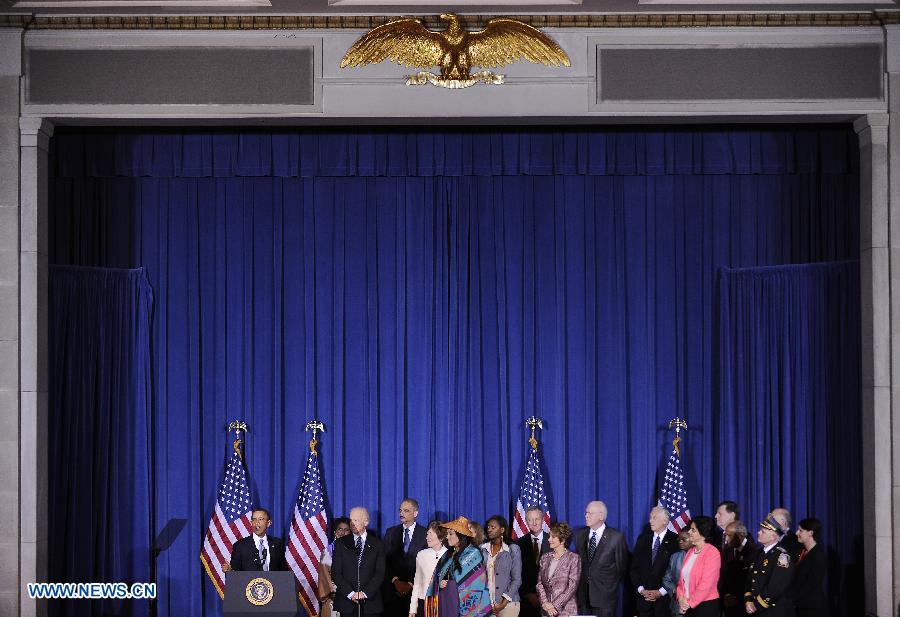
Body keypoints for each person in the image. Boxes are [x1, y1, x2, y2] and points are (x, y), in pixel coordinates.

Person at [426, 516, 493, 617]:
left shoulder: (473, 553)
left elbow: (470, 580)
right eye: (447, 534)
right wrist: (440, 582)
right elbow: (437, 576)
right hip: (447, 602)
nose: (447, 537)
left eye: (451, 534)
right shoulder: (447, 555)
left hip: (465, 603)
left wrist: (450, 583)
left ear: (461, 535)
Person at [574, 500, 628, 617]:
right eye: (586, 513)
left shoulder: (616, 537)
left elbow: (622, 568)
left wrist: (608, 587)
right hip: (583, 597)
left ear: (601, 516)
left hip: (605, 598)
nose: (586, 515)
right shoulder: (579, 534)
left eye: (590, 513)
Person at [332, 506, 387, 617]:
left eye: (356, 520)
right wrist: (351, 594)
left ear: (366, 522)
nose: (352, 523)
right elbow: (336, 573)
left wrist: (364, 593)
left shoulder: (378, 544)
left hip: (370, 604)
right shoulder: (341, 543)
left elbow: (380, 573)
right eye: (351, 519)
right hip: (347, 603)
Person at [630, 506, 680, 617]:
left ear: (665, 521)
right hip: (643, 601)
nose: (650, 520)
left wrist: (661, 592)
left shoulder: (675, 541)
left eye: (654, 517)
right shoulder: (643, 539)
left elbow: (676, 572)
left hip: (665, 602)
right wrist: (641, 589)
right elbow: (634, 568)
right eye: (650, 517)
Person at [385, 499, 428, 616]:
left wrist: (410, 583)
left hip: (415, 591)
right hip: (393, 591)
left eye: (406, 510)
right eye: (400, 510)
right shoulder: (391, 532)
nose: (401, 513)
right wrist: (394, 580)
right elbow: (385, 561)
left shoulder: (425, 534)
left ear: (415, 513)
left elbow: (426, 563)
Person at [744, 517, 794, 616]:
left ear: (773, 537)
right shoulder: (758, 553)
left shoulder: (782, 557)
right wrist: (748, 600)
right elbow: (750, 579)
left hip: (772, 610)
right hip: (755, 608)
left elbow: (776, 587)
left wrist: (757, 605)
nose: (758, 532)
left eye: (763, 532)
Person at [674, 516, 720, 617]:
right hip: (687, 605)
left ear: (703, 534)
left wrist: (689, 603)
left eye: (693, 530)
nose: (689, 532)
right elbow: (682, 581)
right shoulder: (690, 551)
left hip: (705, 607)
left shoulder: (712, 553)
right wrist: (681, 598)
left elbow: (706, 584)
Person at [536, 522, 581, 617]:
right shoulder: (545, 558)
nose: (549, 540)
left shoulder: (573, 558)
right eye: (549, 536)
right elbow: (540, 584)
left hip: (566, 611)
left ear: (563, 540)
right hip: (546, 611)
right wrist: (545, 604)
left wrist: (554, 605)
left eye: (553, 537)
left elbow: (572, 586)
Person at [480, 516, 522, 617]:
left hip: (508, 604)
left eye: (493, 527)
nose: (489, 529)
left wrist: (503, 604)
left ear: (502, 530)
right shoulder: (482, 549)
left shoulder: (513, 549)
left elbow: (517, 580)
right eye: (488, 527)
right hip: (486, 604)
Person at [228, 507, 289, 571]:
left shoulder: (277, 544)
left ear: (268, 523)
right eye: (254, 519)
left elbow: (283, 571)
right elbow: (234, 573)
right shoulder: (240, 545)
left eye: (260, 519)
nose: (256, 522)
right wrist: (229, 570)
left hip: (272, 581)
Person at [517, 507, 551, 617]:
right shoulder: (519, 544)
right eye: (531, 520)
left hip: (551, 601)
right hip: (527, 601)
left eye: (537, 519)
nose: (534, 522)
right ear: (526, 522)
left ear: (543, 520)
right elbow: (516, 573)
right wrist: (528, 594)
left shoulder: (554, 541)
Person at [718, 521, 757, 617]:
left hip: (746, 604)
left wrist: (738, 598)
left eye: (729, 536)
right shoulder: (727, 551)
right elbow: (724, 575)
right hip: (729, 604)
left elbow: (752, 580)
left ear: (741, 535)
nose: (726, 539)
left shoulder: (754, 552)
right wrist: (726, 595)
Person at [410, 521, 448, 617]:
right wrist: (412, 609)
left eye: (431, 534)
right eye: (427, 534)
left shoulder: (449, 555)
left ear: (441, 536)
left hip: (442, 603)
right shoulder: (421, 554)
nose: (427, 537)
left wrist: (447, 582)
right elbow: (417, 583)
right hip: (424, 603)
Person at [793, 518, 826, 617]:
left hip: (811, 607)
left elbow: (812, 583)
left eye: (801, 530)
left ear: (810, 533)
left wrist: (792, 597)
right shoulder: (802, 551)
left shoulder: (818, 555)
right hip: (800, 604)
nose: (796, 533)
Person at [320, 517, 352, 617]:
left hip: (351, 596)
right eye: (340, 529)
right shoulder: (327, 552)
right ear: (335, 532)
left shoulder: (355, 551)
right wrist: (336, 591)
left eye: (346, 530)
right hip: (332, 597)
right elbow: (324, 576)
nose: (343, 532)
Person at [662, 529, 692, 617]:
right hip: (677, 605)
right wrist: (676, 591)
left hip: (697, 605)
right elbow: (666, 579)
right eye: (679, 539)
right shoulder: (675, 557)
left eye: (684, 539)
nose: (680, 541)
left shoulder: (702, 556)